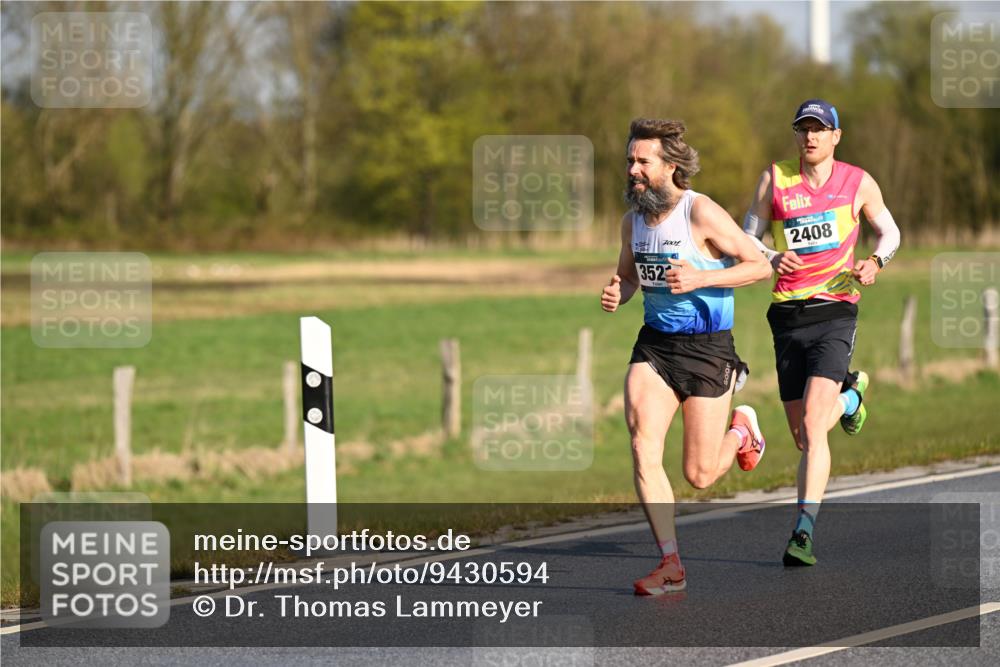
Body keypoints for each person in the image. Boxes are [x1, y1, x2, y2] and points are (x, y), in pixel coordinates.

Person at [601, 118, 772, 595]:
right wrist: (621, 290)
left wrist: (701, 278)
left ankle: (742, 429)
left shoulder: (700, 213)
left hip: (707, 348)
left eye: (642, 161)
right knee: (641, 444)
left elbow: (757, 265)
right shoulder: (631, 221)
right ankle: (670, 563)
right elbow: (630, 275)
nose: (632, 168)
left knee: (698, 474)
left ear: (670, 166)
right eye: (629, 160)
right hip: (655, 346)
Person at [742, 99, 901, 566]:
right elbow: (746, 235)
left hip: (835, 309)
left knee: (815, 425)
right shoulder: (775, 178)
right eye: (802, 129)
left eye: (818, 129)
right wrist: (771, 256)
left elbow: (890, 233)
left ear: (836, 136)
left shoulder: (858, 182)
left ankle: (803, 533)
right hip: (787, 315)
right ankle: (851, 399)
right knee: (802, 437)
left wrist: (874, 262)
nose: (809, 137)